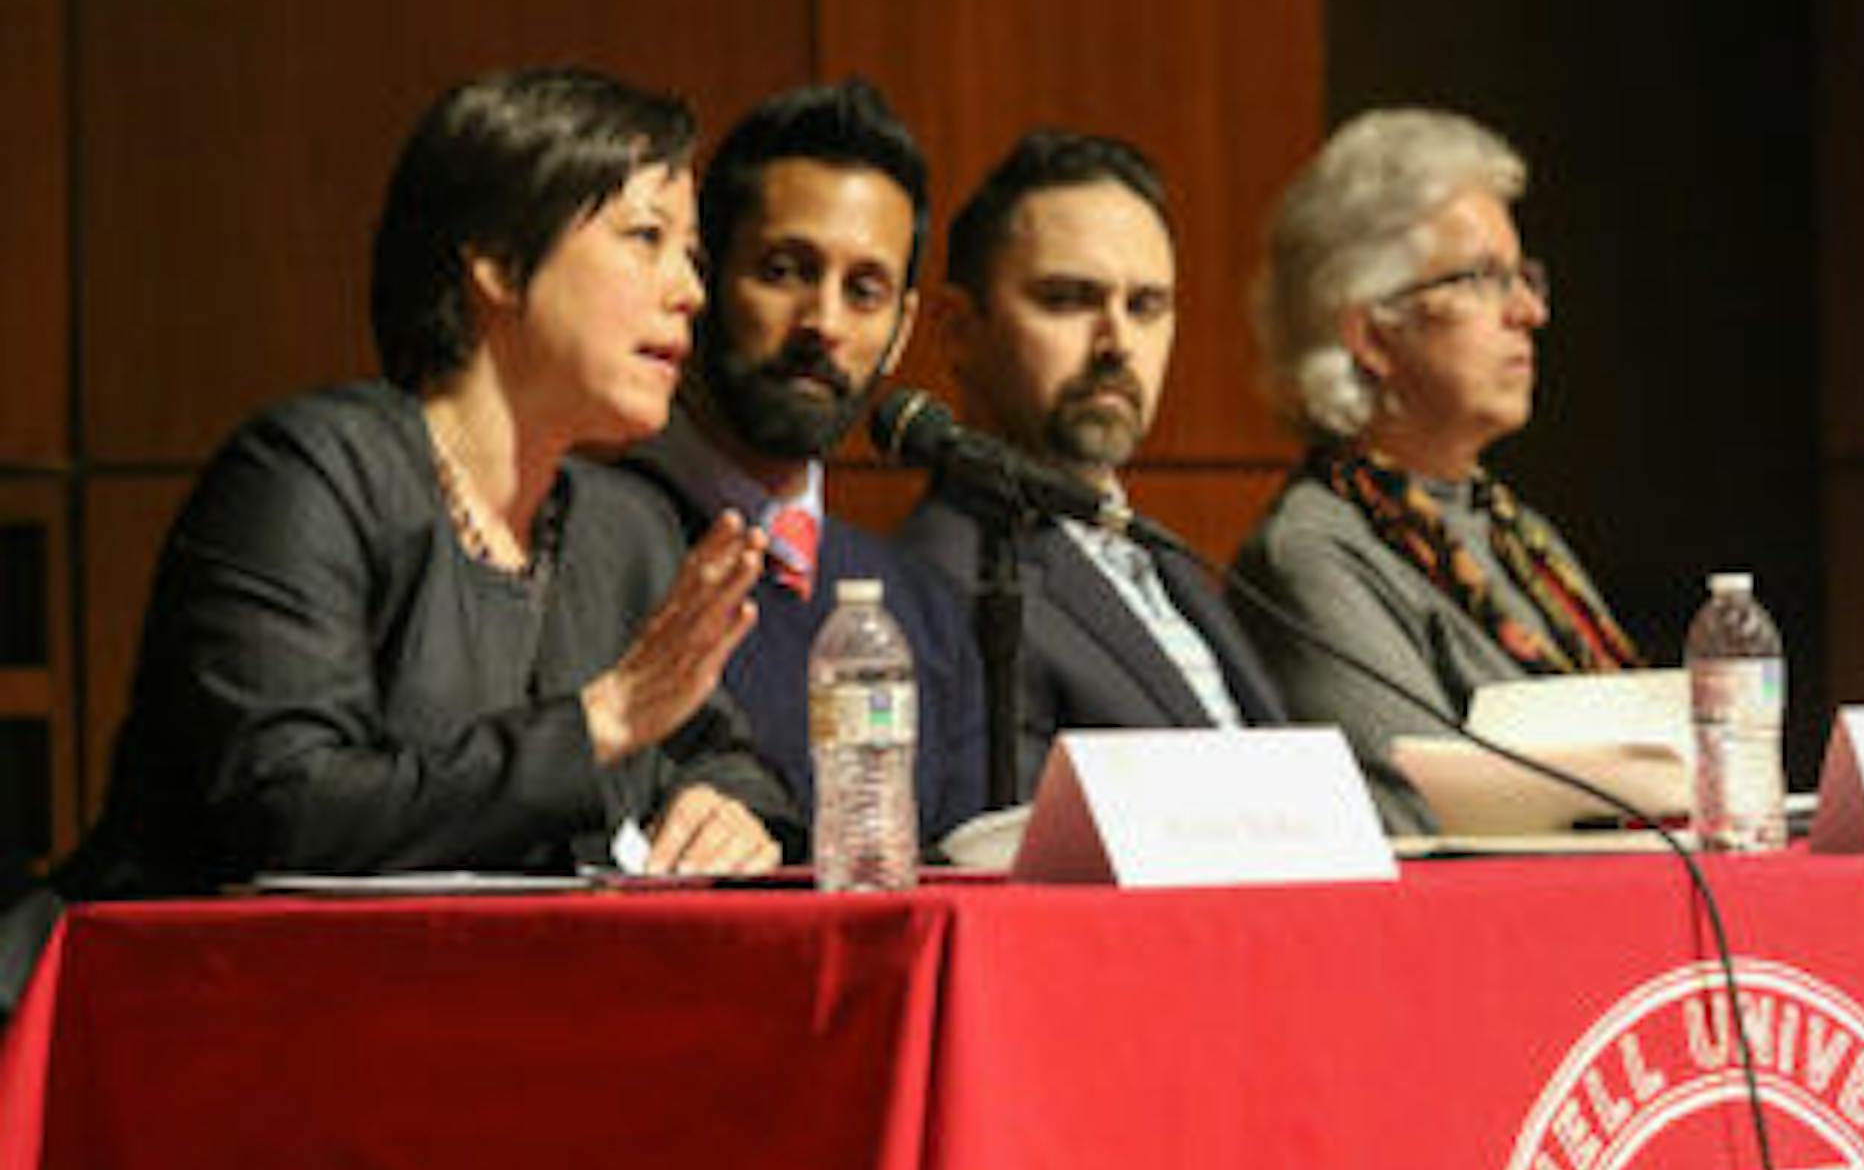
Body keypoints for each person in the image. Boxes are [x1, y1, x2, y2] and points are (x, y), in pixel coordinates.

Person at [55, 67, 800, 907]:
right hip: (210, 980)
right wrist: (599, 724)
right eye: (645, 237)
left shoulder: (624, 527)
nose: (690, 292)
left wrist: (726, 809)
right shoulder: (308, 476)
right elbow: (286, 805)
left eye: (691, 255)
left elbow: (724, 757)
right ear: (497, 261)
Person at [1229, 108, 1643, 834]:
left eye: (1524, 277)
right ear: (1371, 334)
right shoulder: (1312, 555)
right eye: (1483, 278)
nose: (1529, 311)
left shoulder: (1512, 531)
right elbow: (1422, 821)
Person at [622, 80, 985, 845]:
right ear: (701, 278)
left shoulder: (920, 610)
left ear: (902, 329)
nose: (823, 322)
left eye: (864, 290)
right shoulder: (588, 546)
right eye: (784, 270)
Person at [898, 129, 1285, 802]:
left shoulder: (1158, 557)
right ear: (959, 330)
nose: (1118, 343)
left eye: (1145, 306)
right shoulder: (947, 582)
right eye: (1068, 299)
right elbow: (1005, 848)